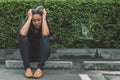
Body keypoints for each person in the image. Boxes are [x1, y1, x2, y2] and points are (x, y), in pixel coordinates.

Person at [19, 6, 50, 78]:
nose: (37, 22)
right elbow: (22, 34)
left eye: (39, 20)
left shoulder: (45, 24)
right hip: (29, 55)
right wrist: (29, 18)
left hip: (41, 55)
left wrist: (44, 18)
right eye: (34, 20)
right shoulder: (28, 26)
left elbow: (45, 34)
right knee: (23, 38)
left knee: (44, 38)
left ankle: (40, 68)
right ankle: (27, 68)